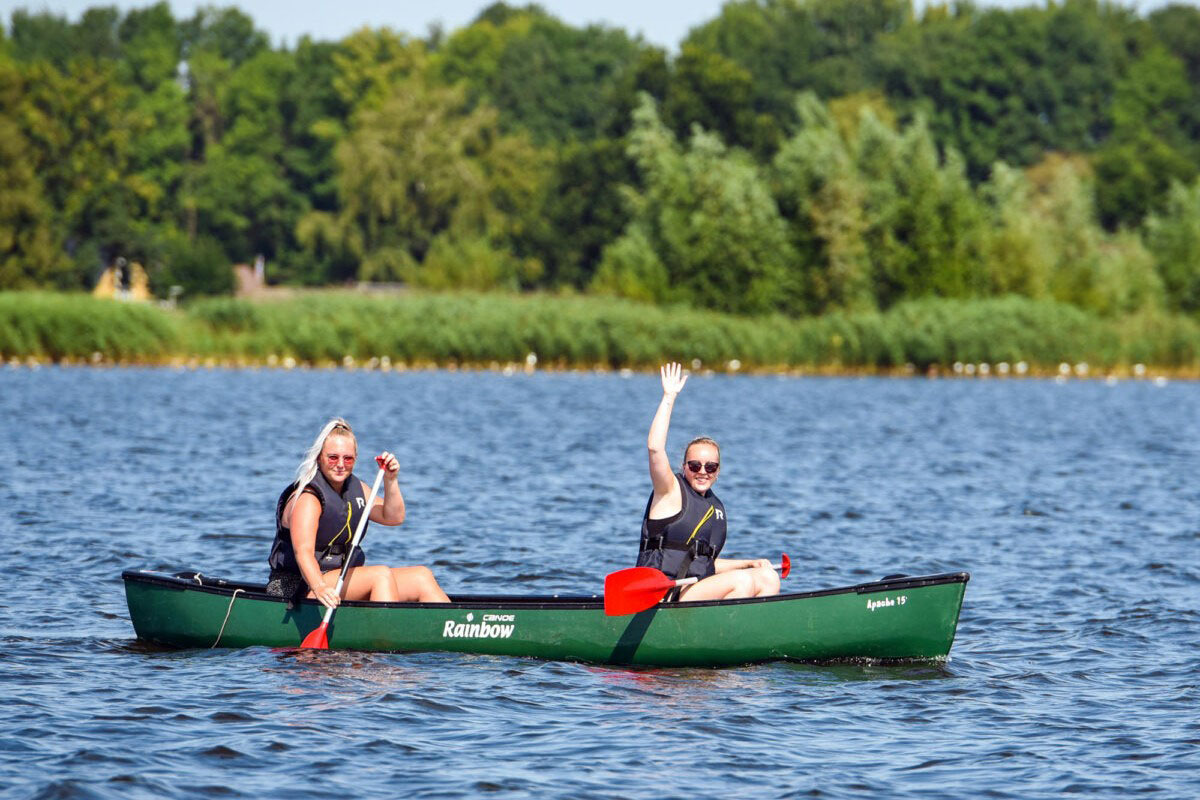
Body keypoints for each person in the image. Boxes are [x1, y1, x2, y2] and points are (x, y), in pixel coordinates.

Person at [266, 418, 450, 606]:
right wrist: (320, 587)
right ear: (319, 457)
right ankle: (386, 634)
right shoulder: (308, 498)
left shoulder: (357, 489)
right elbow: (303, 552)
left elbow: (393, 517)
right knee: (380, 575)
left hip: (336, 579)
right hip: (299, 586)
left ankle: (456, 630)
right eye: (333, 457)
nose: (340, 464)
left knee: (421, 576)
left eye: (348, 458)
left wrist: (390, 479)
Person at [636, 363, 780, 601]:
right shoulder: (670, 490)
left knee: (767, 576)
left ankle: (747, 633)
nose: (702, 472)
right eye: (695, 466)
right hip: (662, 595)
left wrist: (748, 564)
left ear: (718, 471)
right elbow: (654, 448)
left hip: (694, 592)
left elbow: (704, 564)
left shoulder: (715, 507)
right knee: (742, 582)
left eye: (710, 467)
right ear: (684, 467)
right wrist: (669, 397)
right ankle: (728, 634)